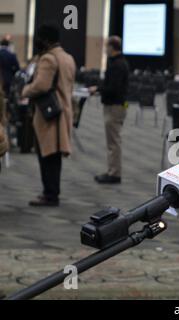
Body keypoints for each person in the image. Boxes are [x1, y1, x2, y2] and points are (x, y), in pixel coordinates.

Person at [22, 24, 76, 206]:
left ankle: (50, 195)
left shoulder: (48, 59)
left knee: (47, 156)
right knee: (54, 157)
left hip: (49, 115)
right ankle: (52, 193)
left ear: (45, 39)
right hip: (63, 112)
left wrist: (25, 90)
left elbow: (41, 85)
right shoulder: (68, 57)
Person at [89, 36, 129, 184]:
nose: (105, 49)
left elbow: (113, 88)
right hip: (116, 105)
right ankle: (112, 171)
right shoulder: (118, 63)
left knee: (113, 141)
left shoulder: (117, 65)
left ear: (112, 47)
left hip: (115, 106)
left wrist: (98, 89)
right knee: (113, 140)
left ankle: (114, 173)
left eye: (107, 46)